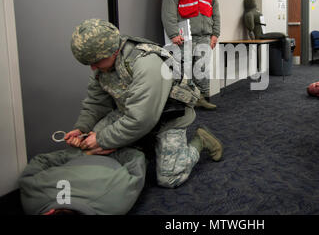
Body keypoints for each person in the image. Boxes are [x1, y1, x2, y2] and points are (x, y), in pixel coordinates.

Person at [66, 19, 223, 189]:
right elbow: (96, 102)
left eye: (96, 62)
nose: (93, 67)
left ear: (112, 51)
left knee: (169, 178)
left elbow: (141, 119)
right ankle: (145, 145)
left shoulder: (146, 63)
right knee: (89, 146)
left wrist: (102, 140)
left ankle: (201, 140)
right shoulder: (101, 67)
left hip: (169, 118)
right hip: (133, 113)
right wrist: (82, 128)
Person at [162, 0, 221, 110]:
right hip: (185, 36)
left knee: (201, 69)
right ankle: (184, 102)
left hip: (205, 35)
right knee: (183, 70)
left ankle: (201, 98)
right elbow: (168, 9)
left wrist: (215, 33)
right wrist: (173, 33)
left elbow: (214, 9)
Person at [19, 147, 146, 215]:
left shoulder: (115, 203)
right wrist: (110, 150)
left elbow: (136, 161)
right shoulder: (33, 199)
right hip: (113, 150)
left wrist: (88, 151)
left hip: (84, 149)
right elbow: (136, 159)